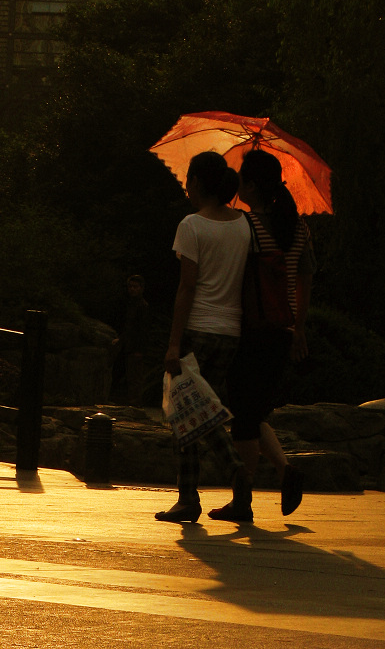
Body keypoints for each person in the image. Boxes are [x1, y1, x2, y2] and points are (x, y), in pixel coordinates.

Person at [155, 152, 254, 524]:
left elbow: (187, 288)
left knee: (188, 414)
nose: (186, 187)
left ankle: (202, 490)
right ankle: (224, 487)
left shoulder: (192, 225)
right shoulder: (244, 225)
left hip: (197, 330)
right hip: (231, 331)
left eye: (188, 179)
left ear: (198, 181)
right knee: (202, 410)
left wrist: (173, 343)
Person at [224, 149, 315, 517]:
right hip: (282, 330)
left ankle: (242, 499)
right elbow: (305, 280)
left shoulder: (247, 226)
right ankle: (285, 470)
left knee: (243, 417)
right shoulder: (300, 227)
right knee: (255, 410)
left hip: (252, 329)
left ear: (253, 186)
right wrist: (299, 328)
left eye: (243, 178)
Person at [112, 275, 151, 406]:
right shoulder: (130, 305)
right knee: (130, 377)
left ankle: (135, 405)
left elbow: (143, 330)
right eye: (130, 286)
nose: (132, 289)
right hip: (128, 347)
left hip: (135, 348)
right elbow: (129, 327)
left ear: (141, 288)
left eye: (135, 287)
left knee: (135, 379)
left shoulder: (142, 306)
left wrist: (140, 350)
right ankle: (131, 403)